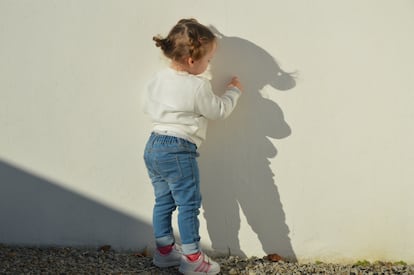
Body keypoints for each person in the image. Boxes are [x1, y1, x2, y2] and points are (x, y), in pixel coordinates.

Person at [143, 18, 243, 275]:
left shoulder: (159, 78)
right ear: (191, 61)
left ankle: (164, 251)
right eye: (208, 61)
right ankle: (193, 259)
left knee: (163, 201)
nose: (209, 66)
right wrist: (233, 92)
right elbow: (218, 110)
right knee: (188, 205)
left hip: (153, 144)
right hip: (178, 149)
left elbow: (146, 106)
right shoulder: (197, 86)